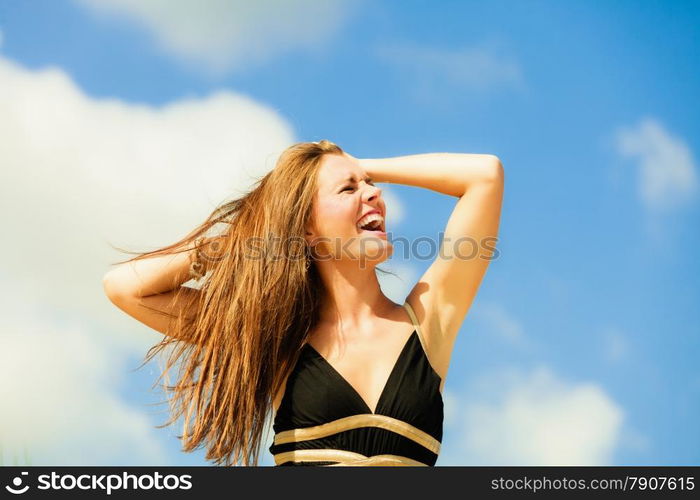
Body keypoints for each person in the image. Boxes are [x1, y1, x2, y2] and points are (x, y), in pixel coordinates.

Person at [102, 140, 504, 466]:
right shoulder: (277, 338)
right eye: (349, 190)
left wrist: (353, 165)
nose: (374, 193)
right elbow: (125, 287)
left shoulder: (427, 322)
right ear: (307, 228)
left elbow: (484, 175)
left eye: (371, 185)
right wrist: (232, 244)